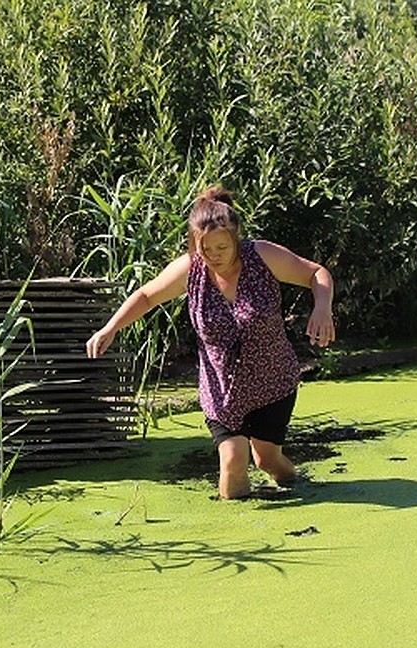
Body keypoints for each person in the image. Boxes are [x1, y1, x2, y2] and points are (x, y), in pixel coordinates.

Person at [86, 185, 335, 499]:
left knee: (267, 460)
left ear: (236, 239)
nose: (215, 256)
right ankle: (240, 531)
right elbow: (147, 296)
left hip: (272, 379)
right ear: (194, 243)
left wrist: (322, 308)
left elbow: (316, 274)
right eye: (206, 249)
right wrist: (110, 328)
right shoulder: (191, 270)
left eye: (223, 248)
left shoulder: (262, 256)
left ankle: (300, 485)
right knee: (232, 460)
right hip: (222, 389)